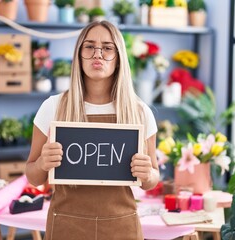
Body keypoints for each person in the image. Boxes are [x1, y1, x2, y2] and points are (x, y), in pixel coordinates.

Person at [26, 20, 160, 240]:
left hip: (121, 227)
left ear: (118, 58)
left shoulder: (140, 111)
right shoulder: (53, 107)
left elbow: (152, 179)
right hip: (66, 228)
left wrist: (147, 173)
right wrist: (42, 163)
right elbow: (32, 176)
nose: (98, 54)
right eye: (89, 47)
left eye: (107, 48)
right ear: (79, 55)